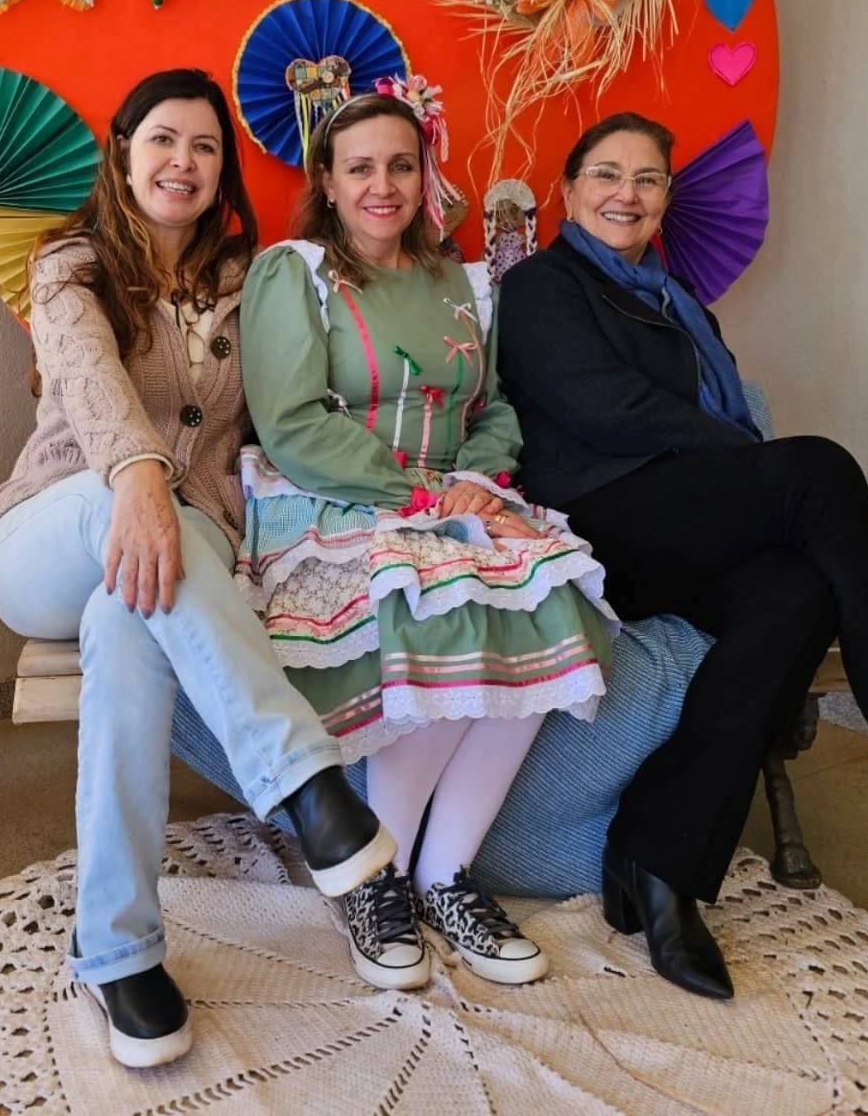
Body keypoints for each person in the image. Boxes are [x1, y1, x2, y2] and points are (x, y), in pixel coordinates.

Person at [496, 111, 868, 1000]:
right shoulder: (542, 285)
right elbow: (607, 410)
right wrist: (753, 461)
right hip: (599, 522)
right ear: (569, 190)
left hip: (685, 519)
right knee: (818, 469)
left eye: (648, 179)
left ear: (665, 199)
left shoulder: (678, 304)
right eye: (606, 174)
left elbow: (698, 427)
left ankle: (658, 861)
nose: (627, 194)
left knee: (796, 592)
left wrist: (748, 471)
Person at [0, 69, 394, 1068]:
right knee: (129, 515)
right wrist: (135, 477)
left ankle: (116, 951)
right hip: (50, 531)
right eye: (164, 139)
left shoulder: (257, 280)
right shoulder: (69, 266)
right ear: (124, 152)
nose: (183, 162)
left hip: (176, 553)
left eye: (205, 147)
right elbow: (87, 380)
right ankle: (307, 785)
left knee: (129, 621)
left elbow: (285, 410)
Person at [237, 87, 618, 991]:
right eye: (360, 168)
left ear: (425, 175)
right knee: (440, 608)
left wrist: (476, 484)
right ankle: (380, 880)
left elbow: (493, 409)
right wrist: (418, 494)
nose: (383, 185)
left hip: (453, 499)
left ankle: (445, 876)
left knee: (552, 602)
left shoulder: (465, 282)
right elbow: (291, 424)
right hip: (337, 496)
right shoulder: (294, 274)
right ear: (328, 183)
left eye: (401, 165)